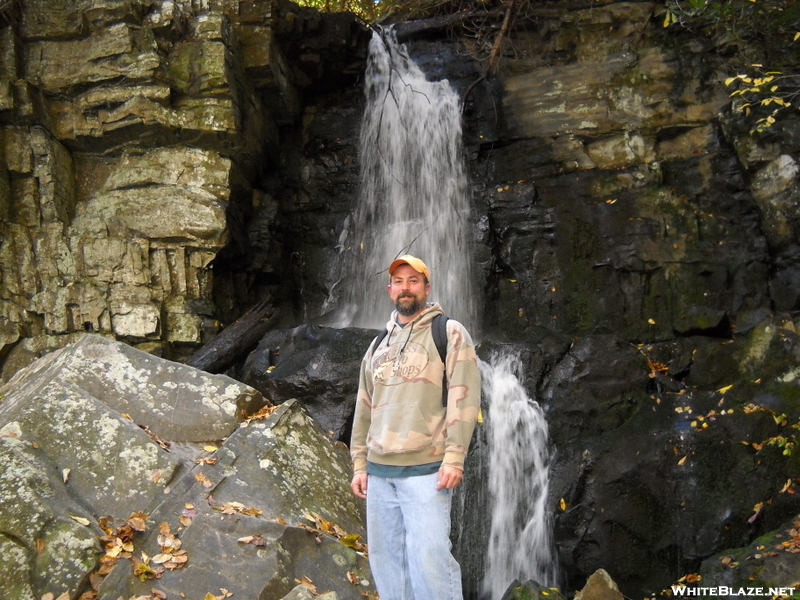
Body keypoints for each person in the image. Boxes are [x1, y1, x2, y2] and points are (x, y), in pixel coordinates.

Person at [350, 254, 481, 600]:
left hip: (426, 470)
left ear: (426, 287)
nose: (405, 288)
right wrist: (360, 464)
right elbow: (364, 407)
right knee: (387, 563)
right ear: (389, 289)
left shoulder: (448, 332)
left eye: (413, 281)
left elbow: (464, 397)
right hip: (379, 475)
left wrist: (454, 457)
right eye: (399, 282)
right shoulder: (378, 344)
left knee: (430, 560)